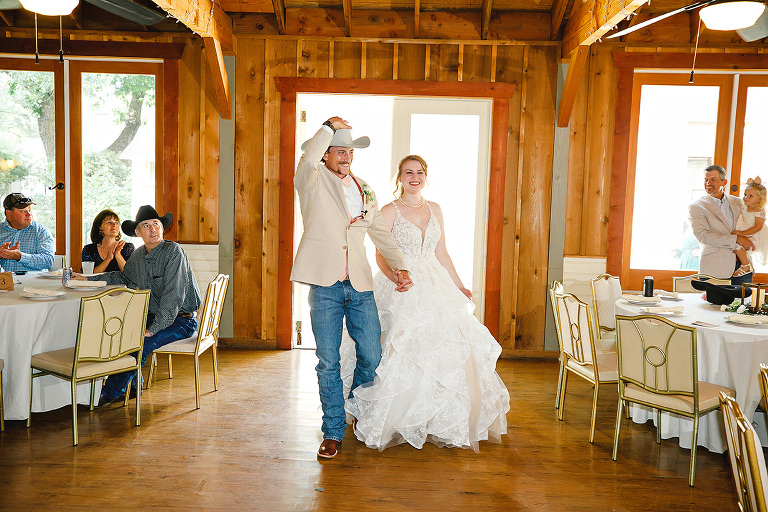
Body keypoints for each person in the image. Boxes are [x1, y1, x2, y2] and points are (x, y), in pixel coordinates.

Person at [345, 155, 510, 452]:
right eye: (408, 172)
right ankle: (394, 418)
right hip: (402, 282)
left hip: (435, 282)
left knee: (450, 346)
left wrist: (459, 285)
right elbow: (380, 254)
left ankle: (438, 419)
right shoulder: (390, 210)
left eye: (419, 172)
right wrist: (396, 278)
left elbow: (441, 252)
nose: (414, 177)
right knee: (400, 344)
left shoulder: (435, 209)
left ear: (425, 176)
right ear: (399, 177)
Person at [292, 117, 411, 459]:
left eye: (349, 152)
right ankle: (333, 430)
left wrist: (400, 266)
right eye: (339, 151)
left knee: (372, 354)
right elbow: (306, 160)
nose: (346, 157)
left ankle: (356, 407)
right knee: (328, 361)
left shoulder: (365, 188)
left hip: (359, 285)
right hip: (325, 286)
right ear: (325, 154)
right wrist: (328, 127)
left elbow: (380, 232)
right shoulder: (312, 180)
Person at [88, 205, 201, 405]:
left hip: (181, 320)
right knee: (119, 334)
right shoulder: (139, 255)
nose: (153, 229)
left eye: (156, 224)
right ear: (138, 232)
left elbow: (173, 297)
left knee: (140, 342)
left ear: (162, 228)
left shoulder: (174, 251)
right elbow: (123, 277)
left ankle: (109, 393)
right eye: (146, 226)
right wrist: (87, 279)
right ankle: (133, 384)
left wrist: (153, 329)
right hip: (153, 315)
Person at [689, 165, 755, 285]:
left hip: (743, 266)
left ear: (724, 182)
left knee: (745, 298)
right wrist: (737, 239)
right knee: (714, 298)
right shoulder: (696, 207)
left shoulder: (739, 202)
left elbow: (752, 222)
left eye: (713, 179)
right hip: (715, 268)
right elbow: (703, 236)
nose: (708, 183)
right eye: (706, 180)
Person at [0, 192, 54, 272]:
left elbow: (48, 261)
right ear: (9, 213)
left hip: (33, 280)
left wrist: (20, 256)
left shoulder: (41, 231)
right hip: (4, 279)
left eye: (29, 210)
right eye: (23, 211)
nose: (29, 214)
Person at [731, 177, 768, 277]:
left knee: (737, 245)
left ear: (759, 199)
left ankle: (745, 265)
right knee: (735, 244)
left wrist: (742, 233)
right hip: (747, 232)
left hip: (755, 235)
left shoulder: (759, 211)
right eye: (745, 195)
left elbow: (757, 227)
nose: (746, 197)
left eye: (750, 196)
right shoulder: (745, 207)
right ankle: (745, 263)